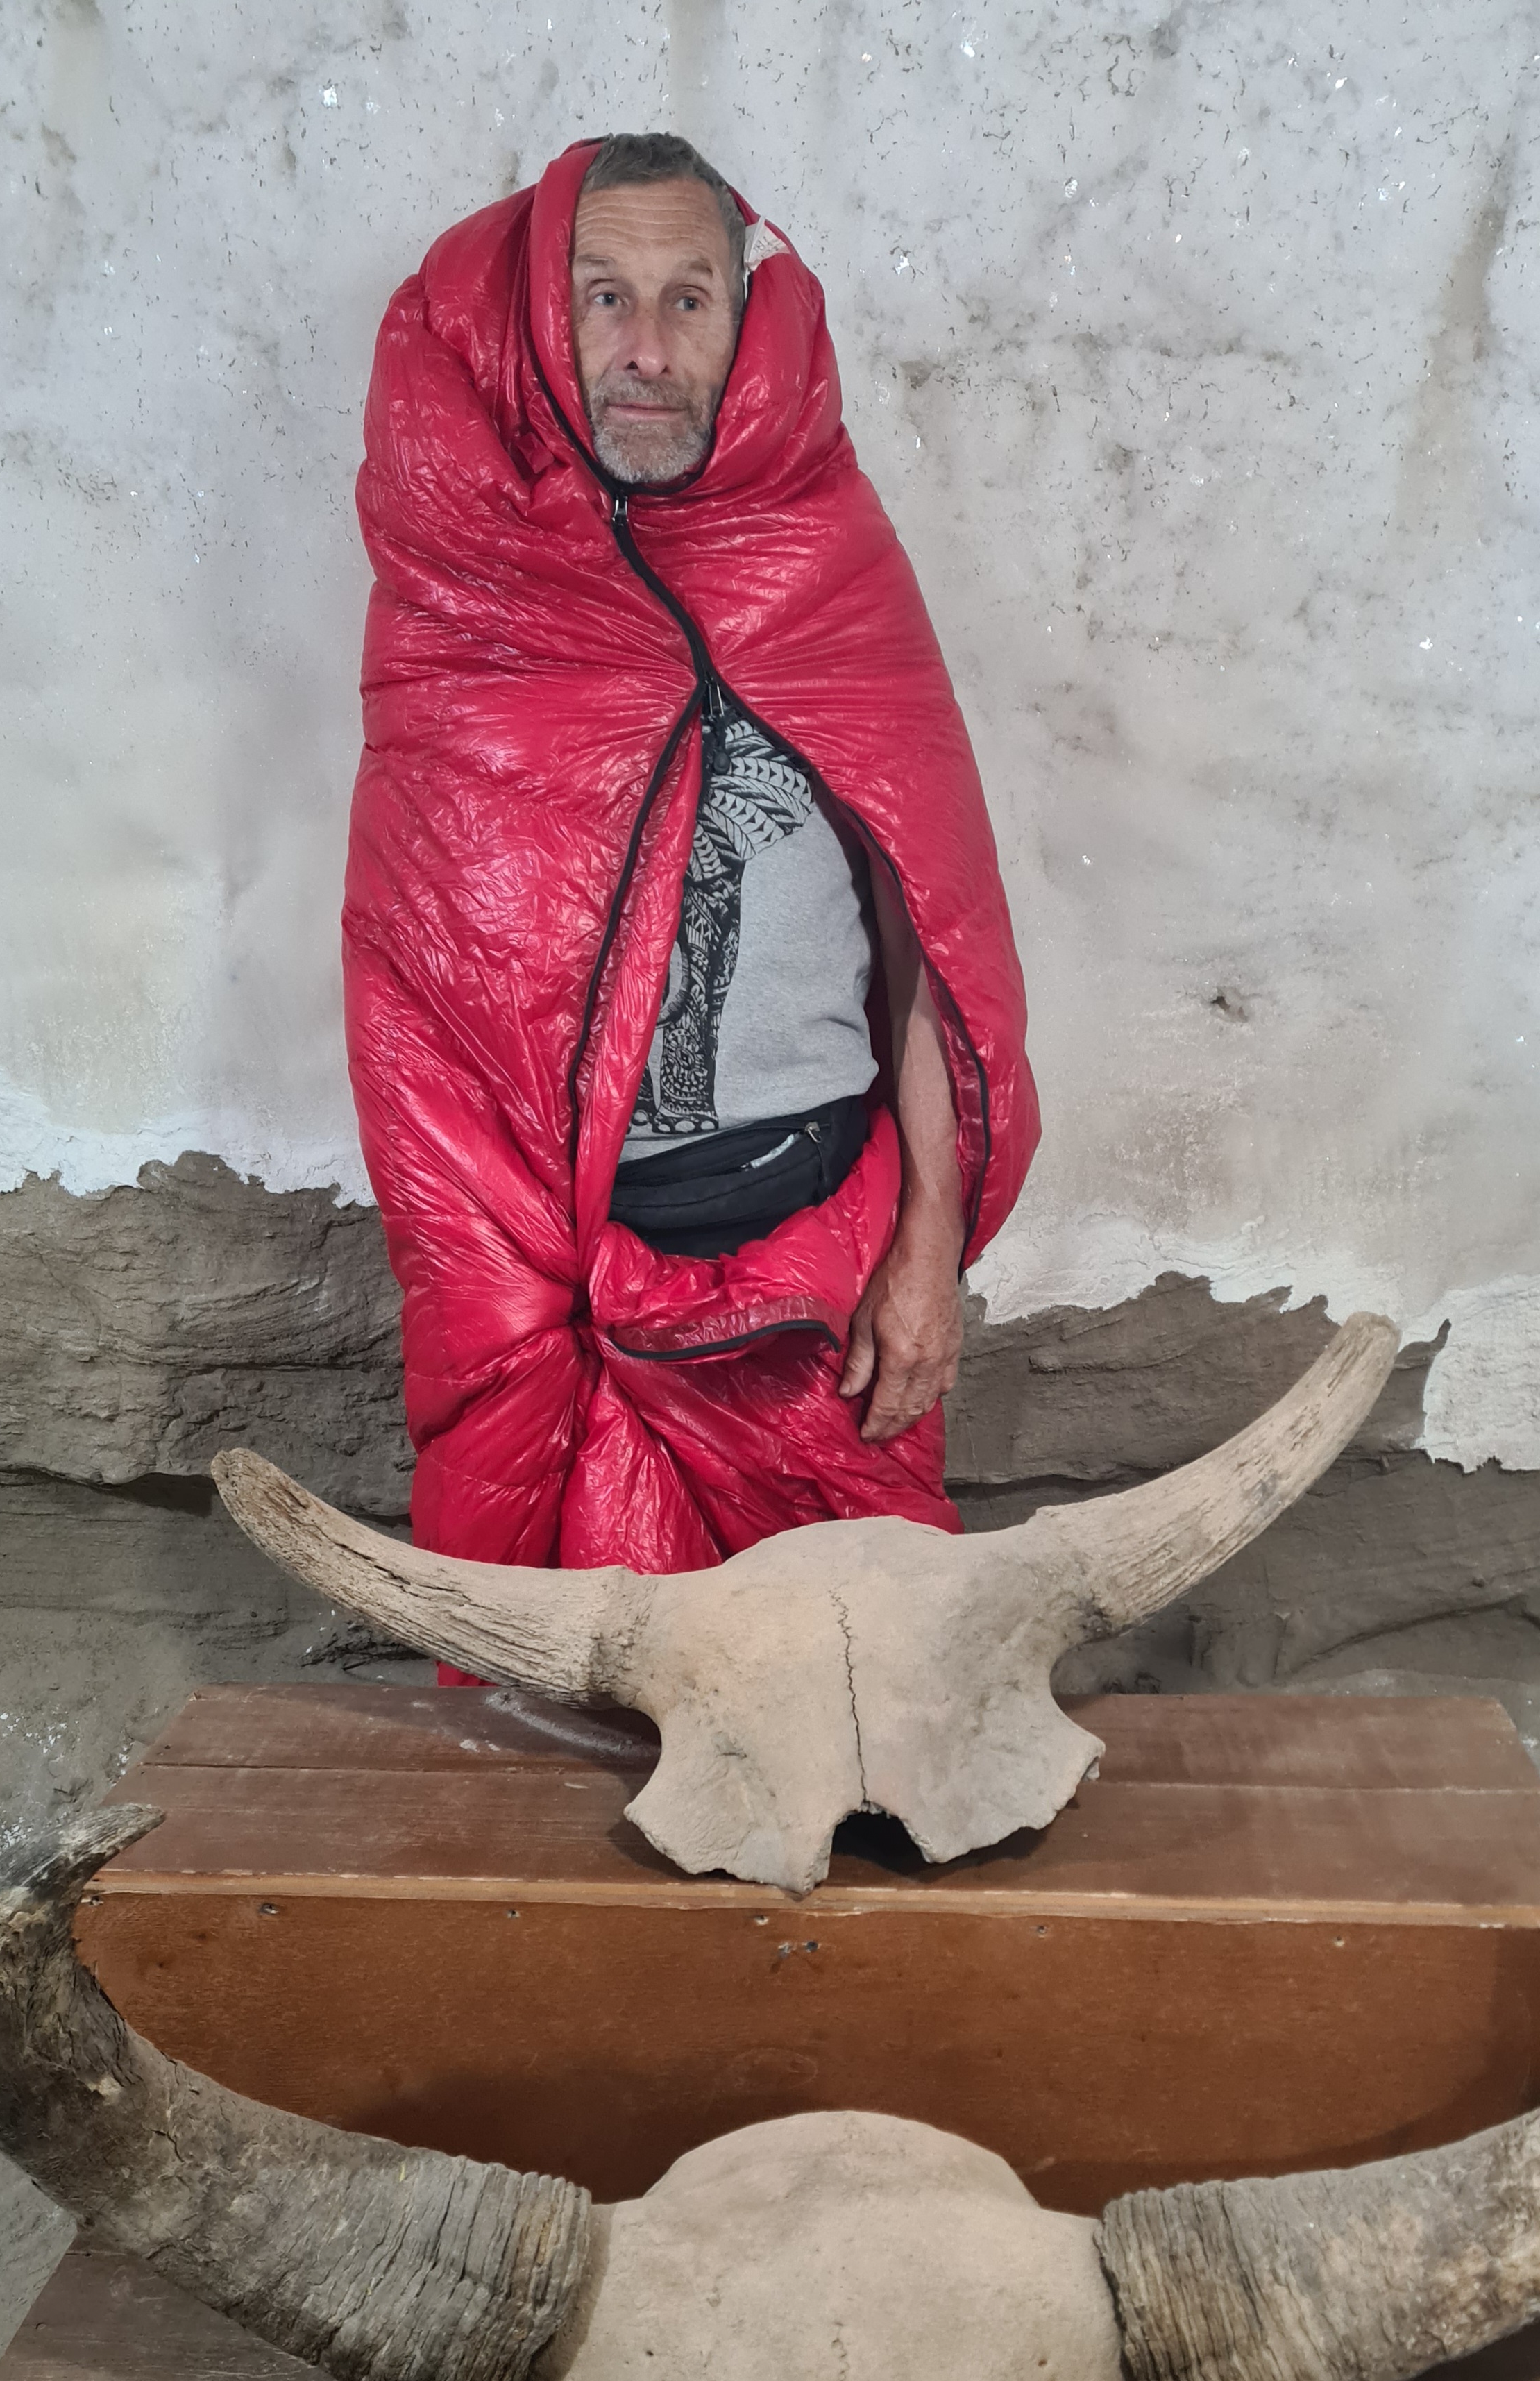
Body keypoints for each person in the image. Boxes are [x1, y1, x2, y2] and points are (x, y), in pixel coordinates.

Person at [344, 133, 1037, 1588]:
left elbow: (929, 942)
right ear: (544, 322)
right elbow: (422, 1000)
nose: (645, 350)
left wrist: (927, 1253)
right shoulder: (467, 597)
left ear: (743, 319)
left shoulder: (826, 565)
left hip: (818, 1257)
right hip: (556, 1265)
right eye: (604, 296)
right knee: (564, 1689)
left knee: (856, 1665)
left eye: (687, 299)